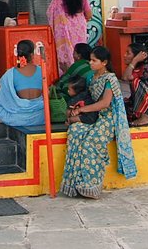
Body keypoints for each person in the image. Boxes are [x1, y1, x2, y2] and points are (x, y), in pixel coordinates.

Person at [60, 46, 137, 199]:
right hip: (94, 116)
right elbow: (87, 98)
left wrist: (82, 111)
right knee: (75, 132)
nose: (90, 63)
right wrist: (75, 110)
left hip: (108, 118)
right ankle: (74, 182)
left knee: (90, 142)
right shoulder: (91, 78)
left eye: (94, 61)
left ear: (104, 62)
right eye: (90, 60)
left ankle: (92, 185)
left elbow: (105, 104)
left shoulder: (110, 79)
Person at [0, 39, 45, 127]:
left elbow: (3, 100)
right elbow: (46, 94)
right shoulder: (41, 71)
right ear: (32, 55)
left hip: (17, 119)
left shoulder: (10, 74)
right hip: (40, 118)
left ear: (18, 54)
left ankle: (3, 119)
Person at [46, 0, 91, 71]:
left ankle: (67, 73)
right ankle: (83, 70)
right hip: (80, 29)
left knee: (67, 52)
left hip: (64, 31)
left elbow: (50, 13)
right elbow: (89, 14)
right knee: (80, 51)